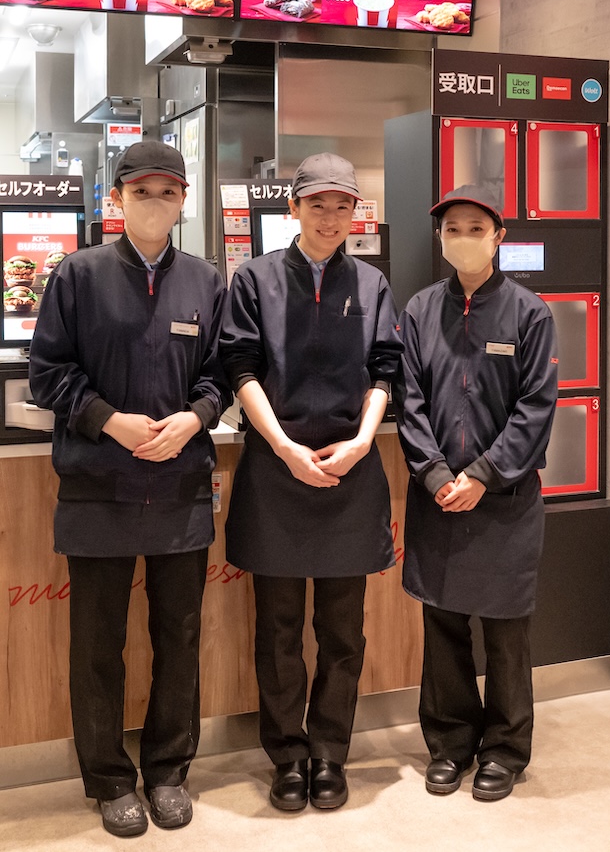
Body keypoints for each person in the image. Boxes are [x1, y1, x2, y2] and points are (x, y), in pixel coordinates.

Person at [29, 140, 229, 839]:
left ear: (184, 201)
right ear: (116, 199)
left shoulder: (205, 281)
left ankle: (169, 770)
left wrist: (194, 418)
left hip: (179, 486)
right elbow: (48, 372)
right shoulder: (77, 275)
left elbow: (222, 372)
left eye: (168, 191)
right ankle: (110, 779)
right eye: (141, 190)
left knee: (179, 636)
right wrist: (109, 421)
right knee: (97, 645)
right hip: (98, 486)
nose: (155, 202)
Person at [218, 153, 402, 813]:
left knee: (343, 632)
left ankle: (330, 753)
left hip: (350, 473)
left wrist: (361, 441)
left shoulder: (371, 283)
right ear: (292, 207)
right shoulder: (255, 278)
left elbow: (386, 368)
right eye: (317, 204)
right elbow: (240, 366)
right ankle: (287, 757)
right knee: (278, 630)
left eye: (342, 205)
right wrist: (284, 446)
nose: (330, 217)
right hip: (276, 471)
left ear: (357, 212)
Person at [396, 185, 559, 802]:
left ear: (498, 239)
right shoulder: (419, 311)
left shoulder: (530, 314)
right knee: (442, 627)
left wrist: (485, 475)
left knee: (506, 633)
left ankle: (505, 750)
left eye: (474, 229)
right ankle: (450, 743)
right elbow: (410, 400)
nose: (462, 239)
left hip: (504, 502)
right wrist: (437, 475)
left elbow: (536, 407)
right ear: (440, 239)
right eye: (452, 230)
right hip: (438, 498)